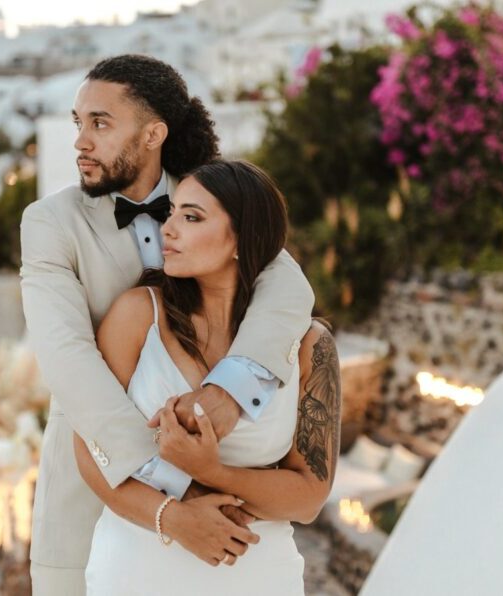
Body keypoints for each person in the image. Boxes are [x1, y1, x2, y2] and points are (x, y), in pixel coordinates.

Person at [20, 55, 315, 595]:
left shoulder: (209, 198)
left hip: (227, 504)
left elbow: (288, 287)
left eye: (100, 123)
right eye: (78, 122)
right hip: (93, 481)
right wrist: (174, 491)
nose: (81, 141)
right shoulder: (50, 222)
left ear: (153, 133)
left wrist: (230, 392)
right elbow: (68, 360)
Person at [74, 160, 341, 595]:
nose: (167, 229)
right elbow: (89, 449)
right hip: (138, 568)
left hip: (255, 573)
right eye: (171, 213)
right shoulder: (138, 315)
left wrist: (212, 471)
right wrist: (174, 518)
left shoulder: (311, 346)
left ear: (242, 239)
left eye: (192, 217)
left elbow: (310, 496)